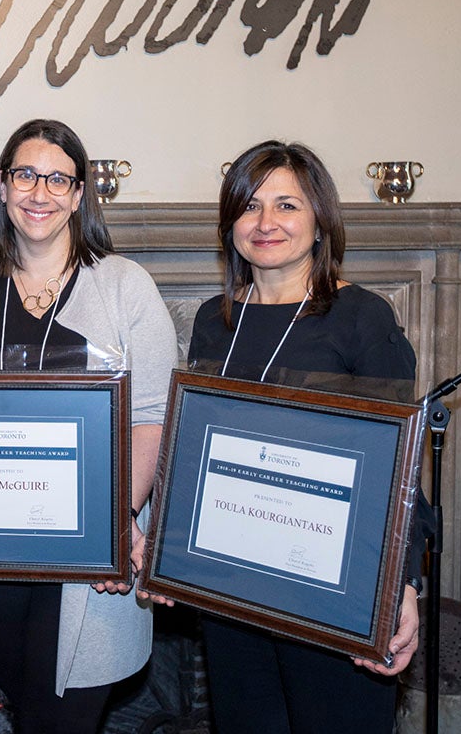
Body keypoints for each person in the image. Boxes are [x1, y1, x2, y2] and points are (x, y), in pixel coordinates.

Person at [0, 119, 178, 733]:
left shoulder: (124, 288)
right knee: (33, 712)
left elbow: (151, 418)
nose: (41, 191)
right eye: (26, 175)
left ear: (80, 194)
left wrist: (114, 520)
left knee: (64, 720)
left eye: (58, 178)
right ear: (3, 188)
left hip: (88, 569)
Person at [186, 139, 431, 733]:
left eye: (287, 205)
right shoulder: (211, 322)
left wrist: (403, 583)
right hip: (235, 594)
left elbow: (401, 469)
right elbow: (194, 457)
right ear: (230, 224)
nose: (266, 222)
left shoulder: (361, 317)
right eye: (250, 206)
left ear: (321, 220)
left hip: (337, 595)